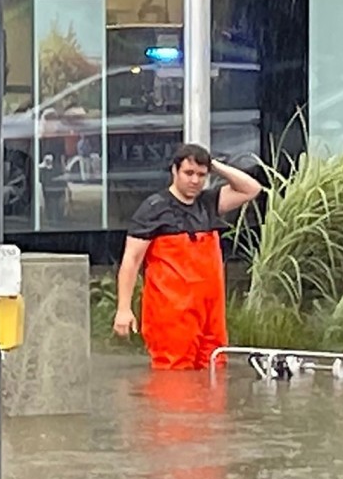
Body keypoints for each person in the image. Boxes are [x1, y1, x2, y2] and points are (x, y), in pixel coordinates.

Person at [113, 143, 263, 370]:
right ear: (174, 171)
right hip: (171, 314)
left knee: (215, 368)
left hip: (210, 313)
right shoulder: (154, 209)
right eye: (189, 173)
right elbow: (131, 261)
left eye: (201, 175)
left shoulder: (209, 203)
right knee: (173, 378)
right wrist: (124, 309)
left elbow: (251, 189)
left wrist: (215, 165)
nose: (195, 180)